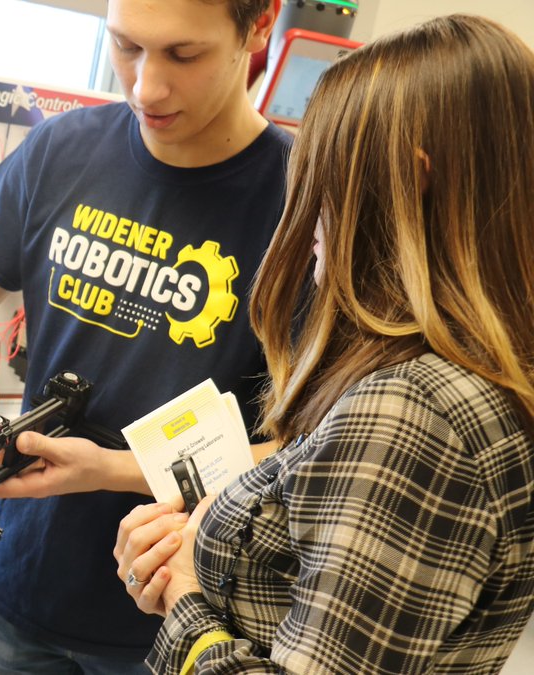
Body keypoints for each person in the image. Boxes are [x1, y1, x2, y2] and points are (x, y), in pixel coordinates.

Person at [115, 14, 534, 674]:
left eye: (323, 172)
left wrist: (185, 602)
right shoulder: (470, 375)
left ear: (408, 179)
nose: (305, 210)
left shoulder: (412, 415)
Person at [0, 0, 291, 669]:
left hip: (180, 615)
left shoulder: (304, 198)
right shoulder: (63, 148)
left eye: (183, 55)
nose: (145, 86)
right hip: (23, 590)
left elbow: (308, 455)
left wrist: (110, 470)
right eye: (126, 46)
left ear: (259, 26)